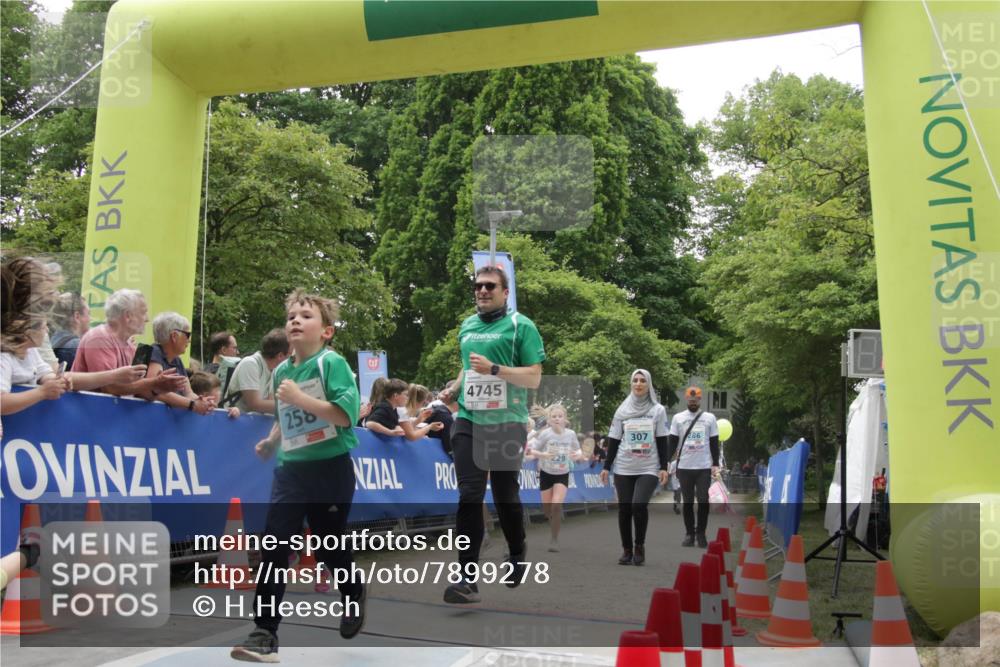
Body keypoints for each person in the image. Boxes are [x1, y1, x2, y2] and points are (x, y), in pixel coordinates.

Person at [231, 289, 364, 662]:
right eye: (291, 315)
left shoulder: (330, 364)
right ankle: (264, 633)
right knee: (275, 546)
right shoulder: (283, 371)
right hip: (291, 469)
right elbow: (285, 416)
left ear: (326, 331)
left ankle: (353, 592)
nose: (295, 320)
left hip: (331, 468)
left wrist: (300, 398)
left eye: (306, 315)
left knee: (328, 547)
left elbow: (345, 416)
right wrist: (272, 441)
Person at [437, 265, 545, 604]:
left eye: (489, 286)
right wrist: (453, 390)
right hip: (469, 419)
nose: (482, 291)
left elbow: (534, 378)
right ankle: (467, 578)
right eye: (478, 286)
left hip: (507, 422)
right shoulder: (467, 326)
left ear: (504, 292)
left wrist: (496, 369)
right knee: (469, 493)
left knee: (504, 496)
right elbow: (468, 367)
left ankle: (516, 550)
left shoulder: (520, 326)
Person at [1, 259, 147, 416]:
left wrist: (57, 382)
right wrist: (42, 393)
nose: (47, 329)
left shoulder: (31, 352)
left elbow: (52, 376)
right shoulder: (5, 356)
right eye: (41, 325)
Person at [600, 370, 670, 566]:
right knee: (624, 508)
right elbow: (613, 440)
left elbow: (663, 440)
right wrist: (607, 467)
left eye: (642, 381)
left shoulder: (658, 410)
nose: (638, 384)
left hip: (648, 466)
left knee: (638, 506)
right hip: (624, 466)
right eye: (635, 380)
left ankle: (639, 546)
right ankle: (627, 549)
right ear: (631, 384)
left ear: (648, 385)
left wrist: (664, 467)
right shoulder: (621, 411)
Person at [71, 289, 187, 396]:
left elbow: (140, 392)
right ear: (127, 316)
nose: (147, 319)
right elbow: (110, 389)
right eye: (143, 312)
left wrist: (160, 388)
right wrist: (155, 383)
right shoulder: (99, 338)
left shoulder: (131, 347)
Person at [526, 404, 584, 552]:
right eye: (554, 417)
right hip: (546, 473)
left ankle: (554, 539)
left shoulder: (571, 434)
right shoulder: (545, 434)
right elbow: (533, 451)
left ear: (565, 419)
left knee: (556, 505)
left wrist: (577, 454)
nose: (557, 419)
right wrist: (543, 455)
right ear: (549, 420)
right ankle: (551, 524)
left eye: (560, 416)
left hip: (562, 473)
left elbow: (578, 451)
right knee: (547, 511)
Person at [668, 386, 720, 548]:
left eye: (695, 400)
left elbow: (713, 443)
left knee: (703, 500)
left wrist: (715, 464)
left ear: (700, 399)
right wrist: (667, 462)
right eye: (690, 400)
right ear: (686, 399)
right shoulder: (678, 418)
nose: (693, 402)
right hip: (684, 466)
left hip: (703, 466)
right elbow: (672, 442)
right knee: (688, 502)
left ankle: (701, 533)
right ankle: (689, 534)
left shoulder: (710, 418)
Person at [140, 312, 214, 415]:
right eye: (188, 335)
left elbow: (188, 393)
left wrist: (203, 401)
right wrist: (192, 404)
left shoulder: (176, 360)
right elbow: (156, 391)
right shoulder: (154, 352)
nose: (189, 340)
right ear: (174, 336)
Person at [223, 328, 289, 414]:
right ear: (280, 356)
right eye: (291, 355)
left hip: (253, 423)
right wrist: (293, 404)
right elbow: (254, 404)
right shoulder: (250, 364)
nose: (293, 359)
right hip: (233, 422)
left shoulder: (274, 370)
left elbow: (271, 402)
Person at [49, 292, 89, 369]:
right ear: (77, 316)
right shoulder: (76, 346)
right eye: (88, 313)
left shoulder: (52, 340)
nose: (90, 319)